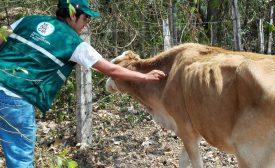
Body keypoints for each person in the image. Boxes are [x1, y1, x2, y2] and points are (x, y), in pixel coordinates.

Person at [0, 0, 166, 167]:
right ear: (73, 15)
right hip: (15, 99)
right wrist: (145, 77)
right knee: (20, 160)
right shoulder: (73, 42)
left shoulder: (28, 20)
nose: (85, 25)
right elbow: (111, 70)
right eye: (85, 19)